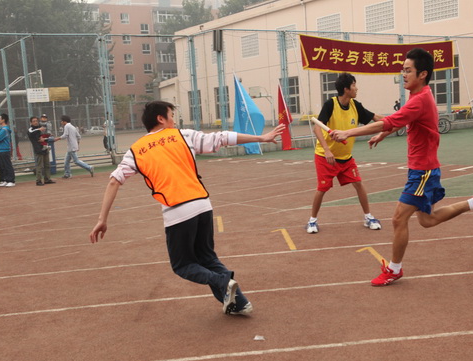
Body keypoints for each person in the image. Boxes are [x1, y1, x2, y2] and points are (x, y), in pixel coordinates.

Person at [89, 100, 284, 315]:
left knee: (182, 265)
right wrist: (261, 138)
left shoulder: (135, 151)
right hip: (203, 204)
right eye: (171, 116)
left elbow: (114, 181)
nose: (174, 121)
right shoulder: (184, 135)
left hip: (177, 210)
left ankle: (222, 281)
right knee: (208, 258)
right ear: (160, 118)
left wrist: (102, 219)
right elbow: (222, 137)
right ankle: (239, 304)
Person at [330, 48, 473, 286]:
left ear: (422, 74)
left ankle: (394, 269)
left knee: (398, 218)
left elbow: (390, 121)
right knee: (427, 220)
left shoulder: (420, 99)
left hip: (423, 171)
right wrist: (383, 135)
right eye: (402, 70)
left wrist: (348, 132)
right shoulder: (418, 96)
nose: (403, 74)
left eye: (408, 70)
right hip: (421, 169)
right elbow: (401, 120)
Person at [306, 72, 383, 234]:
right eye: (354, 85)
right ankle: (312, 220)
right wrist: (327, 150)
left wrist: (397, 120)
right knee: (322, 188)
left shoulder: (355, 105)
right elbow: (317, 128)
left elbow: (375, 117)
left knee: (358, 184)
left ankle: (368, 217)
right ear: (346, 89)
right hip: (325, 157)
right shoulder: (330, 104)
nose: (356, 88)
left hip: (346, 158)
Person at [27, 116, 56, 186]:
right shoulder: (31, 130)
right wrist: (39, 129)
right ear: (31, 123)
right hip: (38, 150)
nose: (35, 122)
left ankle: (47, 179)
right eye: (33, 121)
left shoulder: (41, 128)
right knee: (39, 166)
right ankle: (38, 180)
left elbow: (44, 137)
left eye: (36, 121)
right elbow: (31, 133)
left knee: (47, 165)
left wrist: (47, 137)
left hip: (45, 148)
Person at [0, 113, 16, 187]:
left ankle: (11, 180)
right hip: (0, 150)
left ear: (3, 120)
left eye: (0, 118)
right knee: (3, 166)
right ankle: (6, 179)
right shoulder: (1, 129)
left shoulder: (5, 129)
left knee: (7, 165)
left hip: (5, 150)